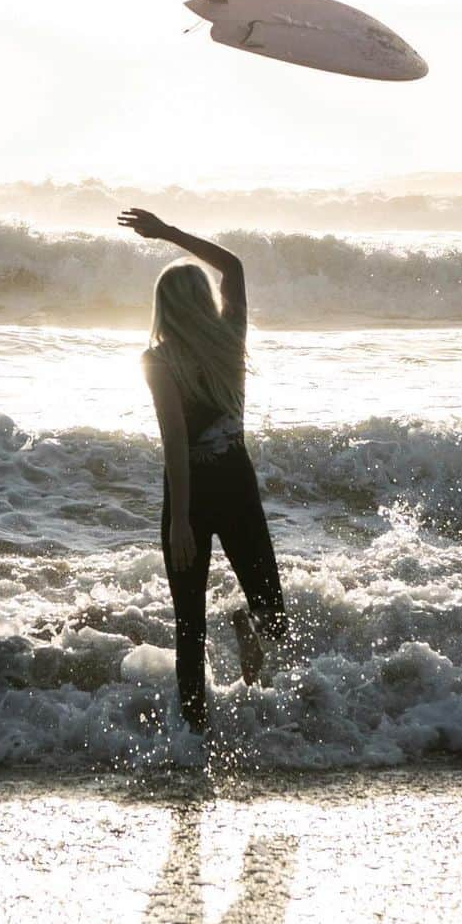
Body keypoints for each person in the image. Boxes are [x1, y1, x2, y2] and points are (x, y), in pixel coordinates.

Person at [117, 208, 289, 733]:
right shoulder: (227, 338)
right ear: (202, 299)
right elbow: (233, 266)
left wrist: (181, 520)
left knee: (191, 626)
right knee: (268, 616)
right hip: (235, 480)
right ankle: (197, 727)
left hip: (192, 489)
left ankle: (194, 741)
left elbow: (175, 441)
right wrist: (168, 234)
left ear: (164, 307)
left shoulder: (161, 358)